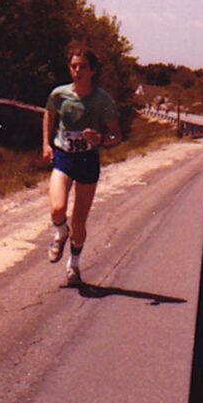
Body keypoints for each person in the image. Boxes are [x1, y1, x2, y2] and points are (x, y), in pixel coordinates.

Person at [43, 43, 123, 287]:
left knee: (79, 222)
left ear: (92, 70)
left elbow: (116, 136)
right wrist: (46, 144)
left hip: (88, 161)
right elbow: (49, 115)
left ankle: (73, 266)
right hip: (64, 157)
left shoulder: (102, 100)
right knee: (57, 209)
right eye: (74, 66)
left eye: (83, 67)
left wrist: (100, 139)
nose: (78, 71)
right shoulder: (59, 94)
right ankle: (61, 233)